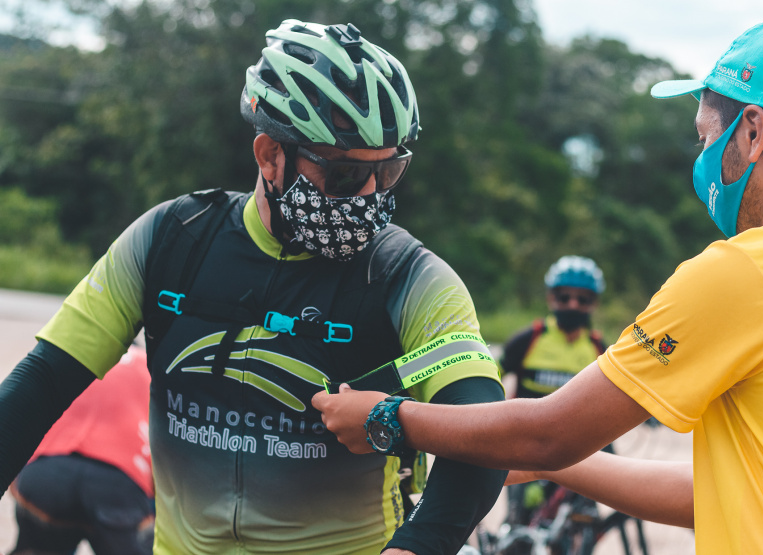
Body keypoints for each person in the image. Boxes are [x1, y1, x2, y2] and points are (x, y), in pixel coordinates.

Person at [314, 19, 763, 553]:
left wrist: (388, 416)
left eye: (707, 133)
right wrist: (565, 469)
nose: (703, 153)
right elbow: (724, 495)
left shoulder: (752, 269)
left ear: (753, 132)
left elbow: (549, 431)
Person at [0, 20, 506, 555]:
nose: (368, 196)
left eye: (388, 172)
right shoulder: (169, 241)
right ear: (269, 155)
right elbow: (40, 386)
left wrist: (417, 546)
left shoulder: (411, 278)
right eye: (341, 176)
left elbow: (483, 433)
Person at [9, 344, 154, 555]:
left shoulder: (77, 356)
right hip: (118, 483)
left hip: (46, 473)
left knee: (38, 547)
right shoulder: (148, 367)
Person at [499, 255, 607, 526]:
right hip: (525, 447)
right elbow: (489, 376)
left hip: (580, 449)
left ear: (593, 303)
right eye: (564, 297)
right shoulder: (528, 340)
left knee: (582, 522)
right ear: (551, 299)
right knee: (520, 526)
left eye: (582, 300)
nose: (573, 304)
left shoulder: (599, 349)